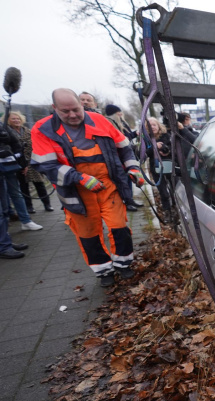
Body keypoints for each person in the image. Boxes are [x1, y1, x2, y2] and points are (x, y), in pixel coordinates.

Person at [31, 89, 145, 287]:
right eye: (65, 111)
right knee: (88, 233)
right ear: (54, 109)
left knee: (119, 227)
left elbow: (124, 147)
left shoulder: (100, 121)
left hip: (107, 186)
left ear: (82, 106)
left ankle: (124, 264)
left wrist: (134, 169)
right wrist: (79, 178)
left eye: (76, 109)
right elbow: (46, 165)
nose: (72, 115)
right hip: (75, 192)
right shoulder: (42, 129)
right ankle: (103, 271)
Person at [0, 116, 43, 231]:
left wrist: (22, 164)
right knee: (3, 198)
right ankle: (4, 232)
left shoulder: (3, 127)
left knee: (16, 194)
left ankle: (26, 221)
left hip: (8, 166)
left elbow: (16, 144)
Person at [7, 112, 54, 213]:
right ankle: (29, 206)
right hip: (18, 163)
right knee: (24, 186)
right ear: (8, 120)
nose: (16, 120)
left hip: (33, 160)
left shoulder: (28, 131)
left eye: (18, 119)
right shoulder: (8, 133)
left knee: (39, 184)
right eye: (13, 119)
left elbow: (35, 145)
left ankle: (47, 204)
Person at [105, 104, 143, 212]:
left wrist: (135, 133)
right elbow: (122, 139)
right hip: (119, 156)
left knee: (129, 178)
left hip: (126, 155)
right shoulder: (113, 124)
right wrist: (134, 134)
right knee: (123, 180)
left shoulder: (121, 123)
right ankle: (126, 202)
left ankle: (130, 200)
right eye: (118, 113)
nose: (121, 114)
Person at [144, 117, 173, 221]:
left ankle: (175, 206)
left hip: (168, 165)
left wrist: (166, 150)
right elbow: (143, 154)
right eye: (150, 125)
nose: (153, 127)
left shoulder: (166, 136)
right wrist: (154, 147)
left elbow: (170, 148)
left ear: (158, 126)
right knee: (163, 191)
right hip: (155, 167)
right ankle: (167, 211)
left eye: (154, 125)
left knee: (174, 187)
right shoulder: (146, 139)